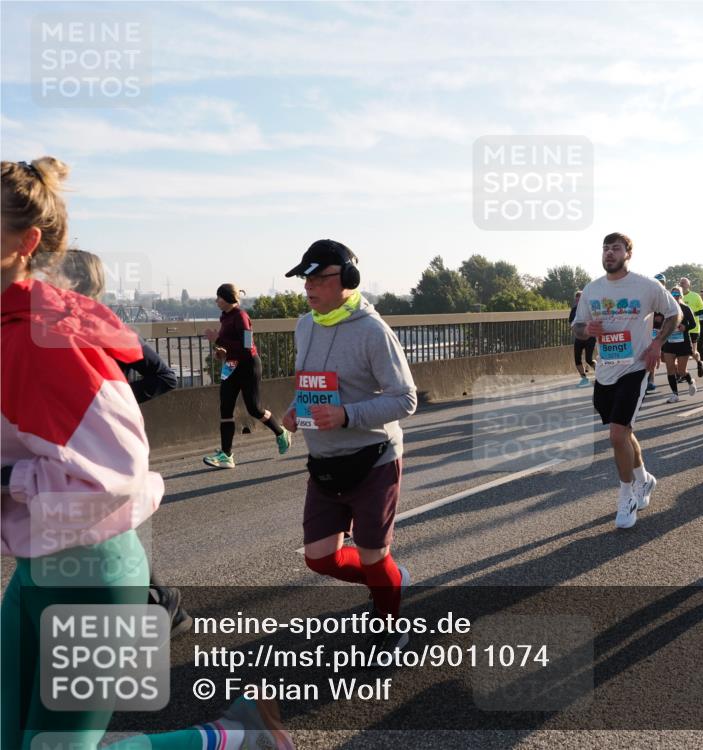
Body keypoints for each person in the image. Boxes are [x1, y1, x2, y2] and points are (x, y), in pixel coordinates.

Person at [1, 158, 292, 750]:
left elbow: (118, 478)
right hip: (37, 566)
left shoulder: (45, 338)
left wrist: (9, 476)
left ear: (25, 243)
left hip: (91, 574)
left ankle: (233, 737)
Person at [281, 239, 418, 654]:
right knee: (320, 559)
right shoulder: (305, 325)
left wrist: (346, 416)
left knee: (374, 555)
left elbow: (406, 399)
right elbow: (310, 386)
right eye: (306, 277)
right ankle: (390, 578)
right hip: (324, 462)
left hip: (373, 459)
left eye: (320, 277)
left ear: (348, 280)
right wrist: (293, 410)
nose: (309, 286)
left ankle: (390, 626)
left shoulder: (373, 332)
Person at [57, 248, 192, 638]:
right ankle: (162, 601)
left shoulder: (108, 329)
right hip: (70, 445)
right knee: (105, 525)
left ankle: (158, 603)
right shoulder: (48, 333)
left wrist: (112, 403)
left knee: (105, 525)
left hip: (105, 445)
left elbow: (163, 376)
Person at [573, 233, 680, 529]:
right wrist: (587, 330)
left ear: (627, 254)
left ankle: (627, 495)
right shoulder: (593, 289)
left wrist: (657, 343)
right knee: (624, 431)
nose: (609, 253)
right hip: (605, 370)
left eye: (615, 248)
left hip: (635, 367)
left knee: (617, 435)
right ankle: (644, 479)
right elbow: (578, 327)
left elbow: (675, 313)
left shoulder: (647, 286)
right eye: (605, 248)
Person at [202, 284, 292, 468]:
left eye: (219, 297)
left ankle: (281, 432)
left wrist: (217, 339)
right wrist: (222, 351)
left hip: (248, 365)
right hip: (231, 365)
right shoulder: (225, 318)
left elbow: (246, 346)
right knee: (225, 407)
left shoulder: (241, 316)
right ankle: (226, 455)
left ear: (227, 298)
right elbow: (232, 346)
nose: (216, 300)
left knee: (254, 409)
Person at [660, 286, 698, 403]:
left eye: (677, 295)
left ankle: (690, 381)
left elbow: (693, 324)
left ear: (681, 296)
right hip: (669, 343)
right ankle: (674, 394)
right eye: (673, 295)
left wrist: (685, 327)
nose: (675, 297)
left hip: (683, 343)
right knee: (670, 369)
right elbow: (660, 323)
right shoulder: (666, 309)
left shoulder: (686, 309)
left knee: (681, 371)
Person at [678, 276, 703, 377]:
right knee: (680, 352)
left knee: (692, 352)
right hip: (680, 329)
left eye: (684, 282)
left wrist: (693, 314)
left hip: (693, 328)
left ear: (688, 285)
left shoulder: (695, 296)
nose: (682, 284)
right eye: (681, 282)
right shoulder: (676, 296)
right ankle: (681, 373)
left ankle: (699, 363)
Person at [570, 290, 596, 387]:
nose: (577, 303)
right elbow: (571, 324)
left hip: (590, 337)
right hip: (579, 338)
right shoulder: (574, 310)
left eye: (579, 300)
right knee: (577, 359)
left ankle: (599, 371)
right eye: (576, 300)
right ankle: (584, 378)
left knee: (589, 359)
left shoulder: (590, 309)